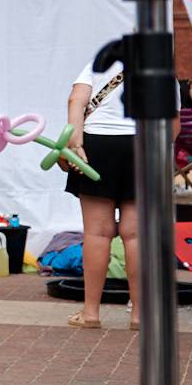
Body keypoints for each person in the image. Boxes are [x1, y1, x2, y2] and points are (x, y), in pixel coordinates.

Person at [64, 62, 152, 330]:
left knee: (97, 233)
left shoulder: (99, 63)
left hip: (98, 145)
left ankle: (91, 313)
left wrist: (76, 144)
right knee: (136, 235)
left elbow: (75, 101)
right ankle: (139, 316)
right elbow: (172, 127)